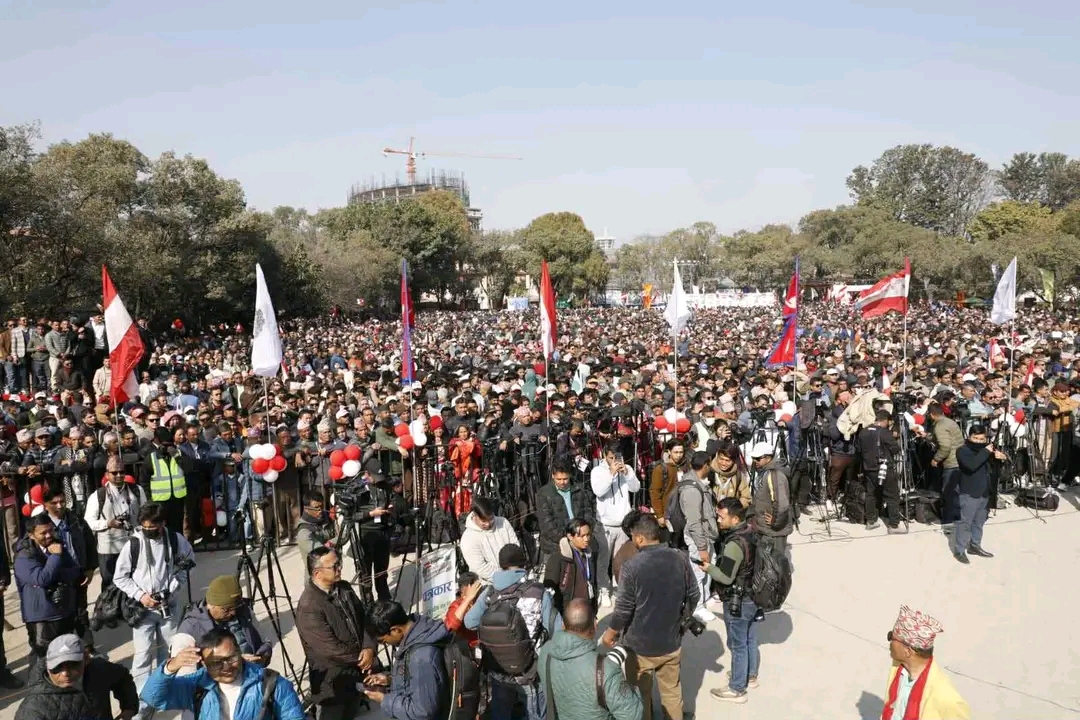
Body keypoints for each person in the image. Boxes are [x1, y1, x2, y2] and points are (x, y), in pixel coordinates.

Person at [601, 513, 699, 720]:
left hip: (639, 648)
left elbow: (623, 609)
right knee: (672, 693)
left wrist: (610, 633)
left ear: (639, 538)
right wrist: (683, 620)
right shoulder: (680, 558)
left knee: (640, 696)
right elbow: (694, 594)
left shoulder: (632, 567)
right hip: (671, 642)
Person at [112, 501, 195, 705]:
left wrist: (174, 586)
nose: (148, 531)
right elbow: (119, 577)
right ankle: (142, 699)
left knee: (168, 650)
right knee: (143, 655)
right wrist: (141, 596)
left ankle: (165, 690)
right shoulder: (133, 544)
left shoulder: (175, 540)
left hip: (169, 607)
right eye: (145, 527)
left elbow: (189, 563)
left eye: (152, 527)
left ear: (162, 523)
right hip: (142, 609)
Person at [465, 544, 561, 720]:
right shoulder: (538, 592)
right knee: (535, 715)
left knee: (501, 714)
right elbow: (558, 630)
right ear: (523, 564)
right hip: (529, 672)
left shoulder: (489, 593)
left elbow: (469, 622)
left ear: (501, 565)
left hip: (498, 670)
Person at [140, 627, 305, 720]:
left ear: (239, 652)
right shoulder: (196, 686)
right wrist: (170, 667)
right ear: (204, 664)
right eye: (216, 663)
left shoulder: (272, 684)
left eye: (231, 658)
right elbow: (152, 697)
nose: (226, 667)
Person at [296, 547, 379, 720]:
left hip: (356, 675)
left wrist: (369, 648)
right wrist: (363, 660)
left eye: (339, 563)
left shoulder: (344, 588)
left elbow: (364, 619)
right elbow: (330, 649)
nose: (339, 568)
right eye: (334, 566)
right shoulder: (309, 606)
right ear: (317, 573)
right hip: (332, 685)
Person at [538, 598, 643, 720]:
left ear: (563, 625)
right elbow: (633, 715)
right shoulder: (605, 670)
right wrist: (626, 683)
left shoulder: (546, 652)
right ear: (595, 626)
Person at [14, 513, 86, 679]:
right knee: (43, 659)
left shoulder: (57, 546)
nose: (48, 536)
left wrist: (55, 571)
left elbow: (75, 570)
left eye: (50, 531)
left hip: (64, 611)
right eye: (43, 533)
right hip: (42, 617)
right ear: (31, 535)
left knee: (65, 654)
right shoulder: (24, 556)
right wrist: (55, 557)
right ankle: (37, 685)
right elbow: (41, 579)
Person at [703, 498, 758, 704]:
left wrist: (709, 568)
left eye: (721, 517)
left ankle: (737, 688)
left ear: (735, 519)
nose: (718, 520)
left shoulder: (734, 544)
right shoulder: (750, 531)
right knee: (750, 639)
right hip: (753, 596)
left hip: (738, 600)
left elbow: (726, 577)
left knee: (737, 645)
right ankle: (749, 675)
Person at [14, 634, 138, 720]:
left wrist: (129, 707)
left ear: (86, 659)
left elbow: (122, 678)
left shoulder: (99, 670)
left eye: (73, 664)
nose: (65, 673)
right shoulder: (33, 710)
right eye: (57, 667)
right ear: (48, 666)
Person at [363, 600, 452, 720]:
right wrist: (391, 679)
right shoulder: (416, 631)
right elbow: (417, 681)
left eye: (383, 641)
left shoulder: (421, 658)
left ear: (395, 630)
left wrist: (384, 699)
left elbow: (423, 712)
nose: (385, 644)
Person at [882, 606, 970, 719]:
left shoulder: (946, 697)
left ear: (908, 651)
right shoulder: (899, 667)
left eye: (892, 637)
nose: (889, 642)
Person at [177, 575, 272, 666]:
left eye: (235, 607)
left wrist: (263, 655)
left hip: (252, 672)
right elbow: (184, 671)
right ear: (210, 605)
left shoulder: (244, 611)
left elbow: (264, 640)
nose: (233, 613)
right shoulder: (191, 628)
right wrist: (234, 662)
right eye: (226, 609)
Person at [84, 455, 145, 590]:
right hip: (109, 549)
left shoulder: (137, 490)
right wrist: (108, 523)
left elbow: (145, 514)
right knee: (110, 585)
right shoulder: (98, 496)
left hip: (133, 544)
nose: (119, 475)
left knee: (135, 582)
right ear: (107, 474)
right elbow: (89, 521)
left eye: (122, 472)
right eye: (114, 472)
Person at [590, 445, 639, 607]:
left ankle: (620, 588)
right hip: (605, 524)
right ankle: (603, 589)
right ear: (604, 455)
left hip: (623, 523)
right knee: (603, 560)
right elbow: (598, 491)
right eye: (611, 457)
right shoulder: (598, 471)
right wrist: (610, 474)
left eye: (616, 457)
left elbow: (636, 488)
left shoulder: (627, 469)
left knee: (622, 560)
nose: (614, 461)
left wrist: (627, 474)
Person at [952, 424, 1005, 564]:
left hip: (985, 492)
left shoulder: (987, 450)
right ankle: (960, 550)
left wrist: (1000, 459)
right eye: (975, 438)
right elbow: (971, 465)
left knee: (979, 522)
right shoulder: (962, 450)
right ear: (969, 437)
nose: (978, 441)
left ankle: (975, 545)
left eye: (982, 439)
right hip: (969, 492)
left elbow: (995, 471)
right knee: (965, 522)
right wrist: (986, 451)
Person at [675, 451, 717, 622]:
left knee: (709, 568)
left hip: (706, 535)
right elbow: (694, 522)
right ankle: (696, 607)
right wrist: (701, 547)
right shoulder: (691, 490)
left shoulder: (697, 482)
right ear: (705, 465)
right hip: (698, 538)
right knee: (698, 573)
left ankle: (704, 598)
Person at [536, 458, 597, 561]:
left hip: (580, 542)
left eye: (565, 479)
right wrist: (569, 538)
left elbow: (588, 512)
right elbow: (547, 524)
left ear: (570, 475)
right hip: (555, 547)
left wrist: (583, 533)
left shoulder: (579, 488)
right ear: (553, 476)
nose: (562, 482)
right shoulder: (544, 493)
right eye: (558, 479)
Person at [858, 410, 904, 532]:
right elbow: (895, 449)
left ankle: (870, 521)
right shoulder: (884, 432)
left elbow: (859, 449)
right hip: (884, 468)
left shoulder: (863, 431)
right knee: (892, 495)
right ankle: (894, 525)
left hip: (869, 468)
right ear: (885, 421)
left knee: (871, 494)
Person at [139, 426, 188, 537]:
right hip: (159, 502)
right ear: (158, 442)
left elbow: (189, 468)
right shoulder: (151, 458)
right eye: (165, 445)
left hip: (177, 500)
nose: (168, 448)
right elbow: (144, 481)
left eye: (170, 444)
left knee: (177, 531)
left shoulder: (178, 454)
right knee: (162, 531)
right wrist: (150, 500)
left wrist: (176, 456)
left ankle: (176, 547)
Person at [746, 442, 794, 554]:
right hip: (765, 530)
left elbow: (782, 504)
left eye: (758, 458)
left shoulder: (775, 475)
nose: (754, 461)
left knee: (773, 562)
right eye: (753, 458)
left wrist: (775, 521)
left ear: (768, 458)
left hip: (774, 533)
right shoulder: (764, 472)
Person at [460, 495, 520, 584]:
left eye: (491, 519)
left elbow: (515, 547)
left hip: (513, 576)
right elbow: (481, 568)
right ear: (475, 516)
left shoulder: (503, 522)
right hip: (488, 584)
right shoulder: (468, 538)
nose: (488, 524)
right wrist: (505, 577)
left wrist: (514, 570)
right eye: (483, 521)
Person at [543, 518, 598, 614]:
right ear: (570, 536)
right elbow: (549, 590)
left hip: (587, 609)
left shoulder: (589, 554)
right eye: (581, 536)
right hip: (568, 612)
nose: (586, 539)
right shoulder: (558, 558)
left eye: (588, 535)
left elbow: (593, 583)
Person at [929, 402, 963, 524]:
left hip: (951, 462)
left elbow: (945, 446)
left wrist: (936, 459)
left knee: (948, 491)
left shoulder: (940, 426)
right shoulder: (950, 422)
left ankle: (949, 519)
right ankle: (958, 516)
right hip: (959, 459)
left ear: (931, 415)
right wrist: (928, 436)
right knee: (956, 490)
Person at [649, 439, 686, 533]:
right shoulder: (661, 469)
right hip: (668, 513)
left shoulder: (685, 466)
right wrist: (660, 515)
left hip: (683, 512)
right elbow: (655, 493)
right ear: (669, 452)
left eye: (681, 452)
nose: (679, 455)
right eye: (676, 452)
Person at [444, 571, 482, 648]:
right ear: (465, 588)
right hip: (468, 648)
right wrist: (468, 598)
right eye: (476, 586)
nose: (479, 589)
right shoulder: (457, 605)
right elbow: (451, 626)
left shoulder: (480, 601)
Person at [295, 492, 334, 561]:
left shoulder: (326, 517)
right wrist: (332, 543)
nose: (320, 510)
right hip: (320, 566)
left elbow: (342, 535)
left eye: (321, 506)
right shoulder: (304, 532)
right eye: (316, 507)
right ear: (306, 508)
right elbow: (322, 553)